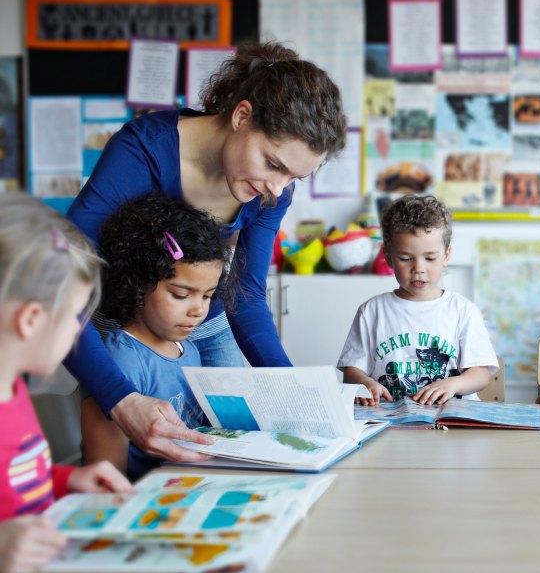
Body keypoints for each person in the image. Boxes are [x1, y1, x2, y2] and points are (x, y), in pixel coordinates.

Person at [63, 40, 348, 465]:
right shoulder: (142, 150)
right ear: (241, 116)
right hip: (119, 316)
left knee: (232, 449)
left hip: (207, 321)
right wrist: (120, 399)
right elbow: (63, 282)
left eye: (293, 177)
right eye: (273, 163)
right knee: (132, 445)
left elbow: (245, 295)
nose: (277, 189)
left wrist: (296, 395)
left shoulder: (273, 191)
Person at [0, 193, 132, 573]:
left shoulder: (15, 390)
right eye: (76, 316)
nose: (79, 332)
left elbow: (18, 481)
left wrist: (67, 480)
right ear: (30, 320)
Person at [80, 194, 229, 480]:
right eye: (181, 295)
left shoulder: (186, 347)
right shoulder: (121, 360)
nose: (198, 310)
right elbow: (106, 477)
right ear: (139, 284)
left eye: (208, 296)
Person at [339, 195, 497, 406]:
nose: (418, 268)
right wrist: (365, 383)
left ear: (447, 255)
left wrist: (452, 384)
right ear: (388, 257)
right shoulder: (372, 311)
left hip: (451, 422)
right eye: (405, 258)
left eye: (430, 258)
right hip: (391, 421)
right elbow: (351, 371)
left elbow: (480, 375)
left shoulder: (464, 311)